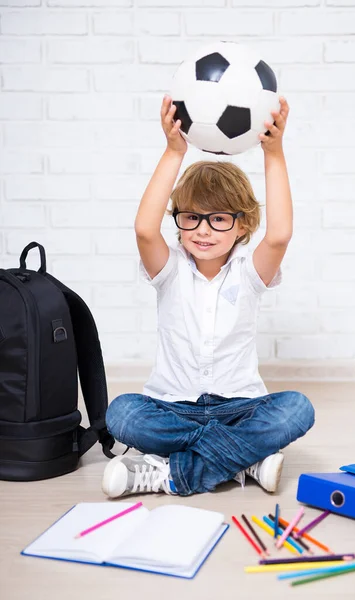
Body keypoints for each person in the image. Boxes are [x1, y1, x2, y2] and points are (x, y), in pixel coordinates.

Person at [102, 94, 315, 498]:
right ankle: (244, 459)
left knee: (297, 408)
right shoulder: (169, 270)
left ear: (242, 225)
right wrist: (173, 151)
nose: (203, 230)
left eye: (218, 219)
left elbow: (281, 234)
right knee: (123, 414)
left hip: (239, 409)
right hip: (173, 408)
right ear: (179, 221)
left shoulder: (250, 273)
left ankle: (174, 474)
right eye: (191, 218)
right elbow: (146, 230)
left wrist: (275, 152)